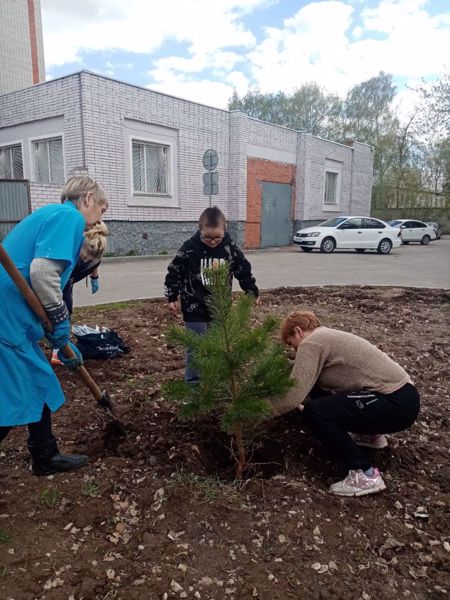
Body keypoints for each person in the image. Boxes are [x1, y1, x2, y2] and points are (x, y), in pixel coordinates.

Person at [0, 175, 108, 475]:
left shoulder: (52, 215)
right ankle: (45, 456)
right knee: (13, 399)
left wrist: (61, 340)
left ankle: (45, 456)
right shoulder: (68, 216)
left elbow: (39, 287)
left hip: (13, 319)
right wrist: (61, 326)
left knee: (39, 379)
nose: (98, 219)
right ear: (87, 199)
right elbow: (43, 274)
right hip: (6, 320)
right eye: (101, 209)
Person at [271, 310, 420, 497]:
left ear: (299, 331)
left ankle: (364, 475)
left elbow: (292, 394)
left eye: (292, 345)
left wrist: (258, 412)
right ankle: (371, 436)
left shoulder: (312, 342)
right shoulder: (329, 337)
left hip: (394, 403)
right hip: (402, 398)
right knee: (319, 394)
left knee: (314, 412)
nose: (295, 351)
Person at [164, 206, 259, 382]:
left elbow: (243, 269)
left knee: (219, 345)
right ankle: (194, 382)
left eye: (217, 237)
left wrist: (251, 290)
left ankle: (217, 378)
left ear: (225, 229)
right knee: (196, 346)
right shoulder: (190, 248)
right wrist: (171, 296)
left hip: (220, 307)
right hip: (194, 306)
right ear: (200, 230)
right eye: (207, 237)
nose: (213, 241)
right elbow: (174, 271)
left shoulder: (229, 248)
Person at [51, 221, 108, 365]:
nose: (86, 260)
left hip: (69, 280)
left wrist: (94, 277)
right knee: (60, 310)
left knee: (67, 310)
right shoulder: (72, 249)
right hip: (59, 279)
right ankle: (58, 350)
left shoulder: (97, 252)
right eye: (85, 256)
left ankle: (59, 347)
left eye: (90, 259)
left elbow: (96, 263)